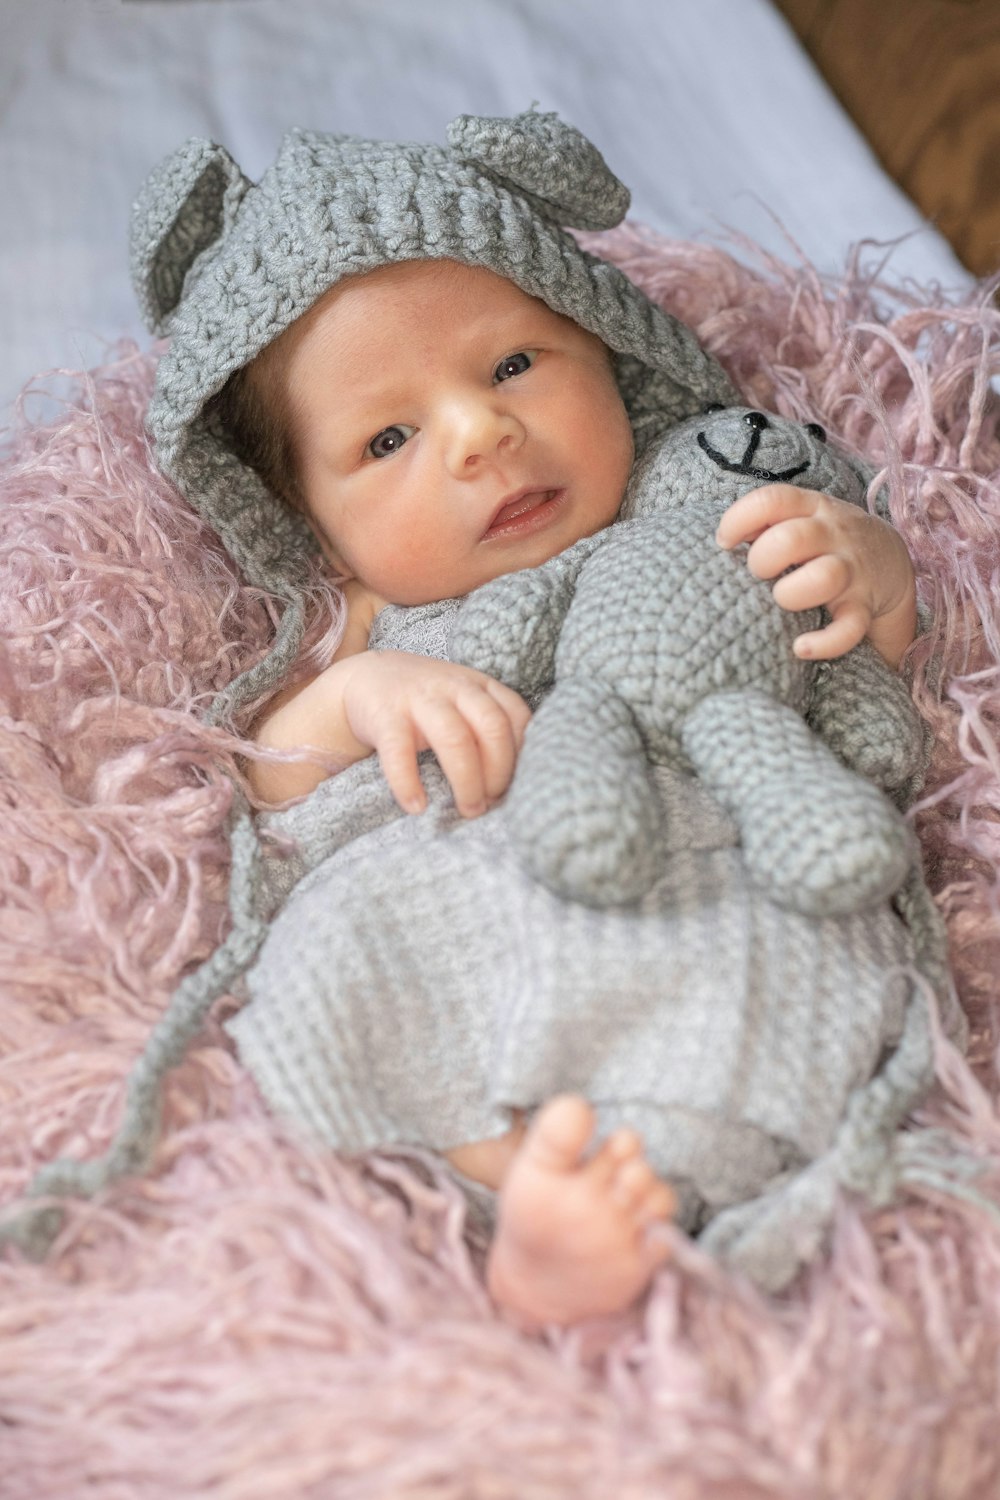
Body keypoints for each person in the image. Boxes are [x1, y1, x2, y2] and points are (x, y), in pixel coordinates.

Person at [121, 110, 935, 1327]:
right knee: (329, 957)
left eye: (512, 366)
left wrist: (868, 571)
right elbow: (273, 791)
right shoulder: (366, 621)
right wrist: (357, 699)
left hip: (688, 883)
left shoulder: (708, 510)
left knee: (793, 942)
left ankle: (627, 1184)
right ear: (314, 525)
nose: (479, 434)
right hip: (466, 913)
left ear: (610, 352)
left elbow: (866, 670)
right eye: (387, 437)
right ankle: (506, 1184)